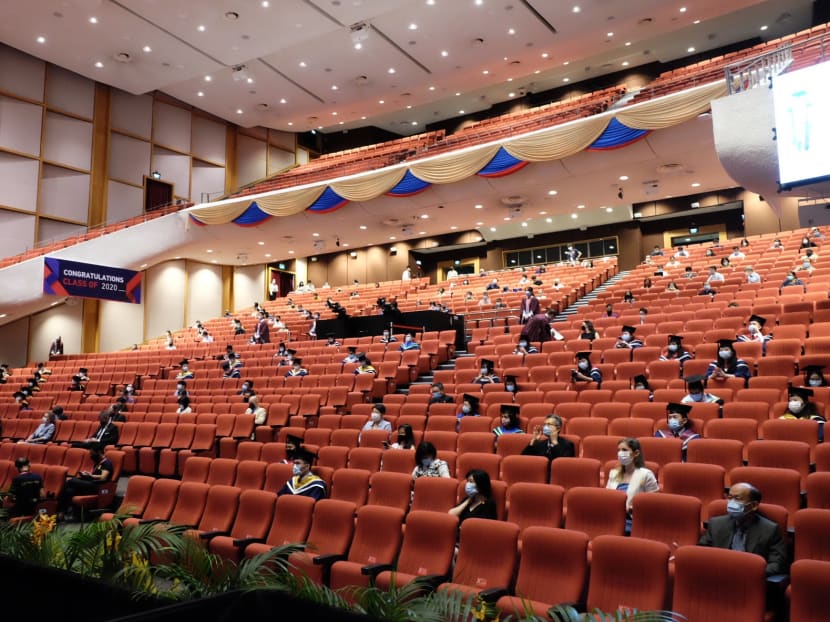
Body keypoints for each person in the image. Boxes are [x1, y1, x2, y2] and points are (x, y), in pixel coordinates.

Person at [698, 482, 789, 576]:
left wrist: (747, 574)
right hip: (718, 575)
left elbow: (777, 564)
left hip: (748, 579)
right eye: (730, 497)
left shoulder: (770, 530)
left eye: (737, 499)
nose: (731, 503)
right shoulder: (716, 524)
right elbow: (702, 553)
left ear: (754, 506)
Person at [606, 438, 659, 529]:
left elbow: (654, 504)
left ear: (636, 453)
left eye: (624, 450)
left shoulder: (646, 474)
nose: (620, 453)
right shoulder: (613, 473)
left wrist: (633, 508)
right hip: (611, 519)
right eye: (619, 450)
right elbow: (607, 498)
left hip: (634, 520)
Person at [58, 444, 113, 520]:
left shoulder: (107, 463)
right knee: (69, 491)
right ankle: (61, 513)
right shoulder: (97, 463)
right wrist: (86, 475)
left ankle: (59, 507)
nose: (91, 456)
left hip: (98, 486)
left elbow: (103, 477)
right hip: (90, 483)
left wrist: (91, 475)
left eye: (92, 454)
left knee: (71, 481)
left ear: (99, 452)